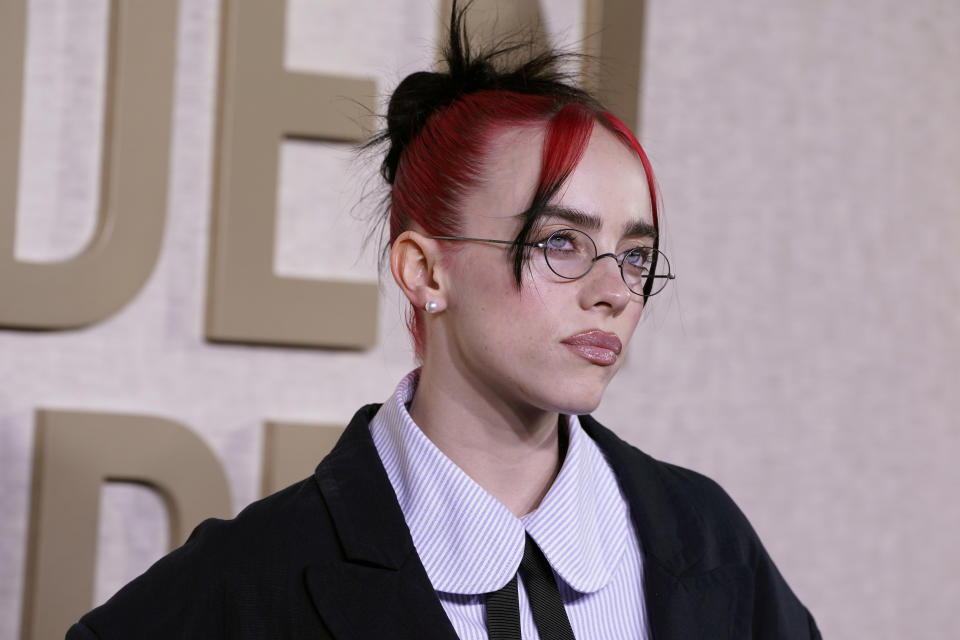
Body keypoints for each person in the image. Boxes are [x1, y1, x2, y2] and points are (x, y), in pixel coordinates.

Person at [67, 3, 820, 639]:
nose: (614, 290)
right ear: (424, 271)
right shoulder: (253, 584)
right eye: (561, 242)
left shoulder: (707, 545)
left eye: (634, 254)